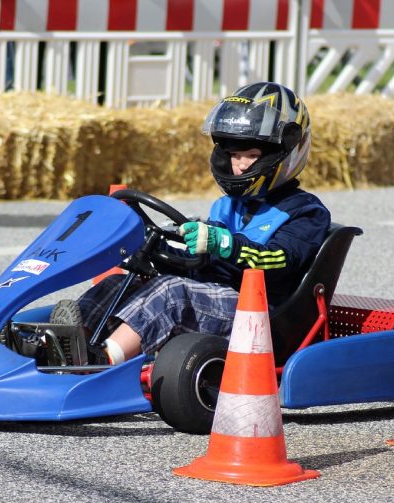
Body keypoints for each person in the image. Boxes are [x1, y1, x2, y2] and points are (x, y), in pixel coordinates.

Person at [50, 81, 331, 365]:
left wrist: (224, 244)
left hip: (260, 314)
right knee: (118, 283)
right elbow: (203, 264)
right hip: (214, 298)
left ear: (285, 153)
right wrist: (156, 248)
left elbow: (281, 261)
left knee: (172, 294)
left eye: (252, 155)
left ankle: (103, 360)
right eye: (235, 155)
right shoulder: (227, 206)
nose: (241, 165)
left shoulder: (306, 212)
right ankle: (67, 346)